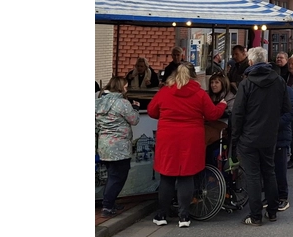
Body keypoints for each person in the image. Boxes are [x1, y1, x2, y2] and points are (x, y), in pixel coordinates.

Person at [148, 62, 227, 227]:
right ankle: (184, 216)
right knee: (186, 176)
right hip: (191, 139)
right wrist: (222, 104)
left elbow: (152, 111)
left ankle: (162, 214)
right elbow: (212, 115)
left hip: (168, 138)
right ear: (193, 76)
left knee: (167, 177)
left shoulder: (165, 92)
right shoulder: (199, 94)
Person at [231, 47, 291, 225]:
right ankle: (272, 211)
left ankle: (255, 215)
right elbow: (286, 108)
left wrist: (235, 137)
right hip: (269, 136)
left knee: (253, 175)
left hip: (249, 136)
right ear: (266, 61)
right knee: (269, 172)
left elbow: (238, 113)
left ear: (250, 62)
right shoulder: (279, 81)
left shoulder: (246, 84)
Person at [96, 76, 140, 217]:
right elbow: (134, 120)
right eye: (126, 86)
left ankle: (110, 203)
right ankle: (107, 207)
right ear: (121, 87)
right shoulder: (122, 103)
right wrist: (136, 109)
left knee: (112, 176)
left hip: (104, 146)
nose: (127, 89)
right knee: (118, 177)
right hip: (119, 147)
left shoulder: (98, 102)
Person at [271, 86, 293, 212]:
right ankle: (271, 196)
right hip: (267, 135)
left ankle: (282, 197)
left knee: (280, 168)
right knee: (269, 168)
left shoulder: (285, 90)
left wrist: (277, 123)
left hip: (280, 135)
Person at [205, 72, 235, 163]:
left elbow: (230, 113)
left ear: (223, 83)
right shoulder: (208, 95)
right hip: (209, 122)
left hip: (223, 124)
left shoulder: (231, 96)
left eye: (217, 82)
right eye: (212, 82)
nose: (213, 85)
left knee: (204, 134)